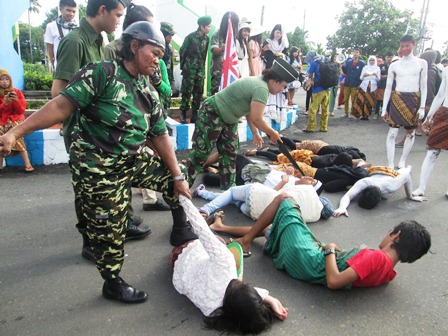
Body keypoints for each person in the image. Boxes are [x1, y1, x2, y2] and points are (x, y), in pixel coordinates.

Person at [0, 22, 199, 303]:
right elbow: (59, 106)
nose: (158, 60)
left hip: (130, 159)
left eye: (161, 56)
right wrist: (15, 132)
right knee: (110, 232)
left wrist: (177, 176)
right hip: (98, 167)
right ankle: (112, 283)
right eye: (154, 53)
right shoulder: (101, 73)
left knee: (176, 178)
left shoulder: (146, 89)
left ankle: (180, 229)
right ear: (134, 46)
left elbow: (159, 134)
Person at [232, 193, 431, 289]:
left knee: (284, 199)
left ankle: (246, 242)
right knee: (276, 228)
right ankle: (222, 228)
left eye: (390, 231)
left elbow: (334, 281)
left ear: (396, 236)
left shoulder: (378, 258)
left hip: (307, 259)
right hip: (308, 260)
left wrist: (329, 250)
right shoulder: (389, 273)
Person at [171, 196, 288, 334]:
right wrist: (270, 299)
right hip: (175, 266)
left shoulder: (225, 264)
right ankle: (211, 224)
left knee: (217, 240)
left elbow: (201, 230)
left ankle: (205, 222)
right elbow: (241, 299)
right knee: (216, 246)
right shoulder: (215, 311)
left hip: (185, 247)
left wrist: (183, 198)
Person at [187, 58, 298, 190]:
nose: (283, 90)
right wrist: (272, 133)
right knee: (201, 153)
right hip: (213, 112)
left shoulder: (261, 85)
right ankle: (180, 188)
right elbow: (257, 118)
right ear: (275, 81)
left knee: (230, 152)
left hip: (229, 119)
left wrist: (255, 132)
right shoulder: (261, 88)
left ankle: (229, 190)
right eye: (283, 86)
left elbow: (250, 111)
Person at [104, 3, 170, 212]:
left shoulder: (149, 82)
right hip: (113, 139)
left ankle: (147, 203)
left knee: (170, 168)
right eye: (148, 28)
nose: (157, 59)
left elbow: (166, 91)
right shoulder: (109, 60)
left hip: (144, 124)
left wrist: (156, 81)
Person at [381, 35, 428, 169]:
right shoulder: (395, 65)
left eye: (407, 45)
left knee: (410, 133)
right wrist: (384, 108)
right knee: (392, 132)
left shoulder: (421, 63)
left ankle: (402, 160)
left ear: (414, 45)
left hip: (414, 99)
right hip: (397, 98)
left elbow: (424, 86)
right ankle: (390, 163)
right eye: (402, 46)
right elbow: (388, 87)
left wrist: (423, 107)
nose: (405, 48)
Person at [333, 166, 427, 218]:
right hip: (375, 172)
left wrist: (410, 196)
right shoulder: (364, 182)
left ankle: (407, 166)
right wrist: (342, 208)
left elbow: (407, 174)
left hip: (389, 174)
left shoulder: (391, 187)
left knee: (406, 169)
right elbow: (348, 196)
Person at [413, 67, 448, 198]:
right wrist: (429, 117)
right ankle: (421, 188)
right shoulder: (446, 70)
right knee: (432, 152)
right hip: (445, 112)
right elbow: (440, 95)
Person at [179, 15, 211, 124]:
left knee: (198, 93)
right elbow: (182, 51)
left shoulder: (207, 39)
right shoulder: (190, 37)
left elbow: (204, 54)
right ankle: (183, 113)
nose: (209, 28)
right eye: (208, 26)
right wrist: (184, 67)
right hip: (190, 69)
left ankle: (194, 115)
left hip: (200, 71)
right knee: (186, 92)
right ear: (201, 27)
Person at [0, 69, 34, 172]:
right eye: (1, 79)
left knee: (15, 131)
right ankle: (0, 164)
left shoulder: (17, 92)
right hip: (2, 120)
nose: (5, 82)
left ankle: (27, 163)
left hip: (15, 119)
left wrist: (16, 101)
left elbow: (21, 110)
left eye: (7, 79)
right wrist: (4, 104)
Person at [262, 24, 289, 123]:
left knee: (278, 87)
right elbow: (263, 55)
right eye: (277, 32)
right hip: (270, 67)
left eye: (280, 33)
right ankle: (267, 109)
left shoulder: (283, 45)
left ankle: (277, 110)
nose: (278, 34)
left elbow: (286, 56)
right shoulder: (268, 42)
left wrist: (281, 55)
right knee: (269, 86)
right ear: (273, 32)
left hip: (279, 69)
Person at [44, 0, 78, 71]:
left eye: (74, 11)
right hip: (60, 68)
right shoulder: (51, 26)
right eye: (68, 10)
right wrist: (53, 63)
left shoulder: (78, 27)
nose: (71, 14)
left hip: (76, 67)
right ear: (61, 9)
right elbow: (50, 47)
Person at [302, 50, 331, 132]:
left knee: (313, 109)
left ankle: (311, 127)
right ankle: (324, 127)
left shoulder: (314, 63)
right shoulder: (325, 59)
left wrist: (309, 82)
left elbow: (310, 75)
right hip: (328, 88)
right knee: (325, 109)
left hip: (318, 89)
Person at [352, 55, 380, 120]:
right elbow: (361, 77)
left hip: (372, 86)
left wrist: (376, 75)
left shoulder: (377, 68)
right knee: (361, 100)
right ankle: (359, 114)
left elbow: (378, 79)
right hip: (364, 85)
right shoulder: (365, 67)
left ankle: (366, 115)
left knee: (369, 101)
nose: (371, 62)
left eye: (373, 60)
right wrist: (365, 75)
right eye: (370, 60)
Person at [342, 48, 365, 118]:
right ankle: (346, 113)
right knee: (345, 99)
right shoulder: (349, 62)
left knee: (353, 99)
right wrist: (342, 66)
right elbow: (345, 72)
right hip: (347, 83)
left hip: (355, 84)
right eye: (354, 52)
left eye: (357, 52)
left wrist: (360, 83)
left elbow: (363, 74)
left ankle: (352, 113)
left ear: (359, 54)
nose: (355, 54)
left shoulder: (362, 64)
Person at [373, 51, 394, 120]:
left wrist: (386, 76)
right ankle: (376, 113)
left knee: (389, 101)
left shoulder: (394, 66)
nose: (389, 58)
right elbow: (378, 76)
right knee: (378, 101)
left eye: (390, 57)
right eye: (388, 57)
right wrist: (387, 76)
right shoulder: (381, 66)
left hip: (391, 87)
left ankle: (387, 114)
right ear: (385, 58)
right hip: (381, 86)